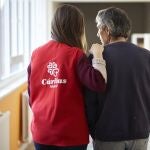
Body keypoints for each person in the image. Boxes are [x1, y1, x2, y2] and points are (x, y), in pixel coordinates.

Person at [27, 4, 107, 150]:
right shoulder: (76, 55)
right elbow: (98, 83)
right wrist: (97, 54)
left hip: (42, 132)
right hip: (71, 135)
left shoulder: (36, 54)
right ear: (76, 28)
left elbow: (31, 95)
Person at [85, 7, 150, 150]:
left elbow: (89, 101)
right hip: (140, 132)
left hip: (108, 134)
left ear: (106, 30)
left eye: (98, 28)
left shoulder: (96, 58)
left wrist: (94, 131)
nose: (97, 33)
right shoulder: (147, 56)